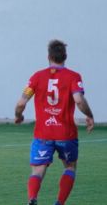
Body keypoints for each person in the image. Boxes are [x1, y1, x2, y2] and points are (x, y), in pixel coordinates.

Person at [14, 39, 94, 205]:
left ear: (48, 56)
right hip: (66, 133)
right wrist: (89, 115)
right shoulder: (73, 76)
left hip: (43, 133)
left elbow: (21, 103)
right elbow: (79, 100)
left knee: (38, 169)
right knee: (69, 167)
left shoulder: (37, 77)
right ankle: (59, 202)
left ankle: (32, 198)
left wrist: (18, 116)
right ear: (65, 56)